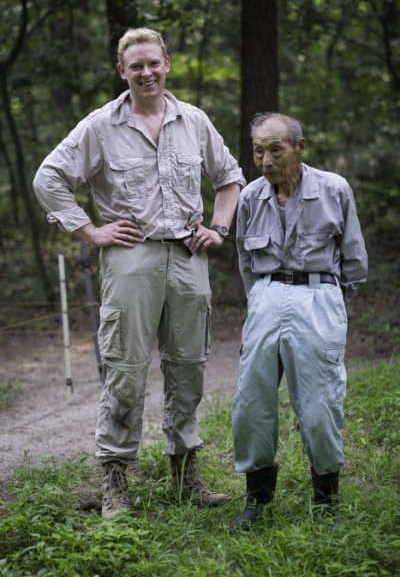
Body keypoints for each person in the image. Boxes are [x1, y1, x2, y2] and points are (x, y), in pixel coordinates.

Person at [33, 27, 245, 518]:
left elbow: (230, 177)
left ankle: (185, 474)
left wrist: (217, 227)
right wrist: (91, 231)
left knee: (189, 365)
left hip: (189, 257)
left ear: (166, 63)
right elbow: (49, 177)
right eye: (136, 65)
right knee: (126, 368)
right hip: (132, 258)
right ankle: (115, 482)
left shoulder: (192, 120)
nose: (146, 72)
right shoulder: (100, 126)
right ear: (122, 71)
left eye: (154, 63)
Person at [230, 112, 368, 530]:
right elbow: (245, 261)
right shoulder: (251, 197)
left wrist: (329, 301)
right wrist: (262, 299)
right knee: (250, 402)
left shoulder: (334, 189)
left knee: (320, 402)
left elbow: (355, 261)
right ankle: (257, 501)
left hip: (319, 296)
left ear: (299, 147)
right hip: (267, 297)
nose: (266, 160)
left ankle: (327, 502)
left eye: (276, 149)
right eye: (259, 151)